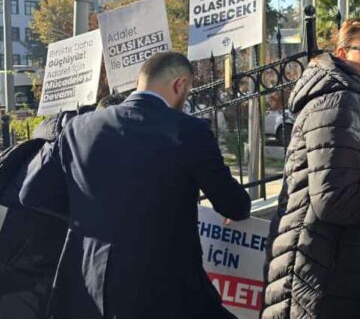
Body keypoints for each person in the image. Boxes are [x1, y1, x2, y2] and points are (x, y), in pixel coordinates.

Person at [19, 52, 251, 319]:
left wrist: (90, 215)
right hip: (165, 293)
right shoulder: (188, 130)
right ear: (180, 85)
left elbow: (31, 193)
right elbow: (234, 205)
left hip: (87, 288)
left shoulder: (78, 128)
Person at [263, 17, 360, 319]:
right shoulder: (340, 100)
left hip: (324, 267)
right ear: (343, 53)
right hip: (318, 275)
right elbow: (334, 199)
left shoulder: (353, 99)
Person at [0, 94, 125, 319]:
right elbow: (31, 193)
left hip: (30, 251)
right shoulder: (67, 142)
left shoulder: (68, 133)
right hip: (26, 256)